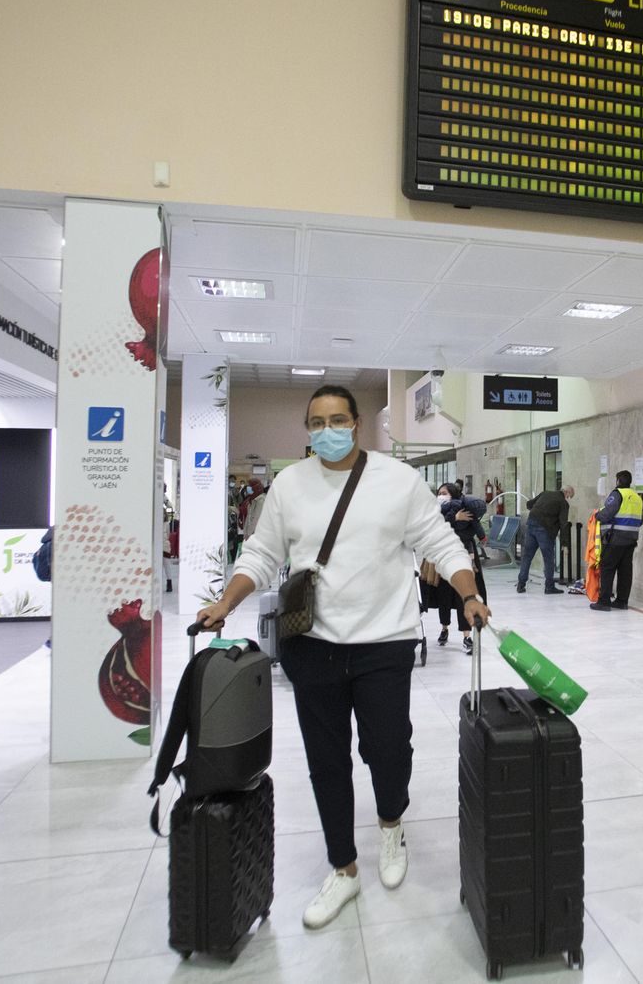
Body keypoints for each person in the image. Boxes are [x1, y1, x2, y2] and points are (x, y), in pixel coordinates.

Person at [196, 385, 491, 930]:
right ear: (306, 428)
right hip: (313, 644)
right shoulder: (290, 485)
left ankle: (390, 824)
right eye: (315, 421)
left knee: (388, 748)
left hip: (386, 641)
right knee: (325, 760)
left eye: (336, 419)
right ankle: (344, 868)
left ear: (356, 424)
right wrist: (226, 601)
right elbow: (261, 554)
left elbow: (442, 544)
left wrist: (469, 593)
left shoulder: (397, 481)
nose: (326, 429)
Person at [428, 480, 488, 653]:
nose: (441, 496)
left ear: (453, 495)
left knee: (464, 597)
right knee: (444, 596)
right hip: (443, 557)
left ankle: (466, 636)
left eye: (444, 493)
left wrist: (480, 536)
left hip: (463, 557)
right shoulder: (437, 511)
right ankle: (444, 628)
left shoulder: (464, 508)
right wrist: (455, 518)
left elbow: (474, 526)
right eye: (439, 493)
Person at [591, 470, 643, 610]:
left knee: (607, 569)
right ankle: (622, 601)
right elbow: (641, 521)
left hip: (614, 540)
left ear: (618, 481)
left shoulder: (617, 494)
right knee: (625, 571)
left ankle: (604, 601)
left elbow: (608, 513)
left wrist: (597, 515)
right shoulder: (637, 497)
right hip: (630, 541)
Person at [516, 485, 574, 594]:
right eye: (569, 497)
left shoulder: (545, 493)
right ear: (566, 493)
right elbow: (563, 523)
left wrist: (540, 507)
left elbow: (529, 504)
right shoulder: (563, 503)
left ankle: (521, 584)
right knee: (548, 559)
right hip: (545, 530)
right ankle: (549, 587)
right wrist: (564, 544)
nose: (568, 499)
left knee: (527, 557)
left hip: (531, 525)